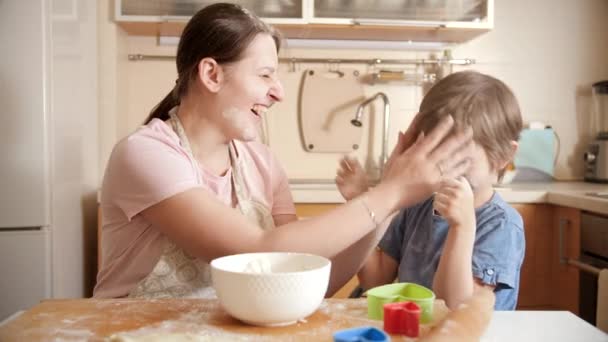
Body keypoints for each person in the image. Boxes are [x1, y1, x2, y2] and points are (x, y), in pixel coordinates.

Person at [93, 3, 473, 299]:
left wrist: (391, 203)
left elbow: (300, 279)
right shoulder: (146, 154)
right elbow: (256, 253)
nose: (279, 92)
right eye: (264, 75)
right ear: (211, 74)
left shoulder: (263, 164)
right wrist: (389, 192)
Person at [336, 71, 525, 310]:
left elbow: (458, 308)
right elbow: (375, 279)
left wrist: (462, 227)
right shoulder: (418, 205)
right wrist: (362, 200)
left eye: (459, 159)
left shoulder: (501, 225)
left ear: (503, 157)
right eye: (436, 155)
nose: (445, 170)